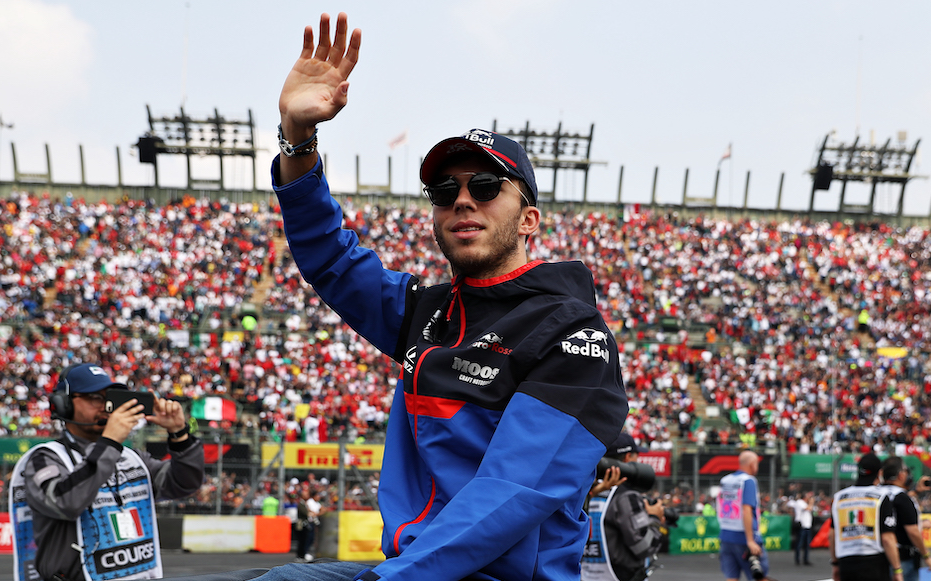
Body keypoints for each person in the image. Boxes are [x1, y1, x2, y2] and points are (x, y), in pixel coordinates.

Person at [172, 11, 628, 581]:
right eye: (445, 190)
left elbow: (508, 496)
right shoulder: (428, 314)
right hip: (413, 568)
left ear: (529, 218)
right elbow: (331, 258)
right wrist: (297, 135)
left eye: (485, 187)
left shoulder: (574, 336)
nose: (463, 200)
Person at [10, 363, 204, 581]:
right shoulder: (44, 458)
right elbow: (66, 502)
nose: (105, 406)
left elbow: (185, 483)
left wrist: (180, 435)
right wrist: (109, 442)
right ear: (63, 404)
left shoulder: (131, 457)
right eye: (95, 397)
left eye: (109, 397)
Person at [582, 433, 667, 581]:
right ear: (628, 458)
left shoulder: (585, 492)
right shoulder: (626, 496)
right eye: (637, 455)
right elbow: (644, 547)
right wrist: (654, 518)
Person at [829, 454, 902, 581]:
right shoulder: (881, 497)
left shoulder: (839, 497)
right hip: (873, 561)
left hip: (846, 561)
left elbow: (832, 535)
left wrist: (835, 564)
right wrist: (897, 569)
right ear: (879, 473)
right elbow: (887, 539)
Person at [879, 457, 931, 581]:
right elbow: (913, 531)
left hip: (878, 555)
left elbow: (894, 504)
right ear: (901, 475)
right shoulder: (902, 497)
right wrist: (926, 555)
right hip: (902, 556)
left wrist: (915, 491)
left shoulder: (877, 493)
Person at [717, 451, 767, 581]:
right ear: (752, 464)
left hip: (726, 535)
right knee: (758, 576)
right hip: (744, 537)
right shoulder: (748, 481)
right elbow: (746, 510)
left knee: (731, 577)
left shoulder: (725, 480)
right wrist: (750, 540)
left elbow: (720, 506)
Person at [294, 488, 322, 562]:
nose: (307, 496)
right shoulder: (301, 504)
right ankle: (301, 555)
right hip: (303, 524)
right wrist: (313, 513)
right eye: (305, 495)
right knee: (303, 540)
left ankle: (302, 554)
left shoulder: (305, 503)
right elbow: (306, 513)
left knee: (305, 540)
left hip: (305, 524)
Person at [788, 492, 813, 566]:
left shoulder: (804, 503)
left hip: (807, 526)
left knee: (807, 544)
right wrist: (811, 502)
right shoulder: (800, 502)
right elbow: (808, 508)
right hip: (801, 526)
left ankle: (805, 559)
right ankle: (797, 559)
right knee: (799, 543)